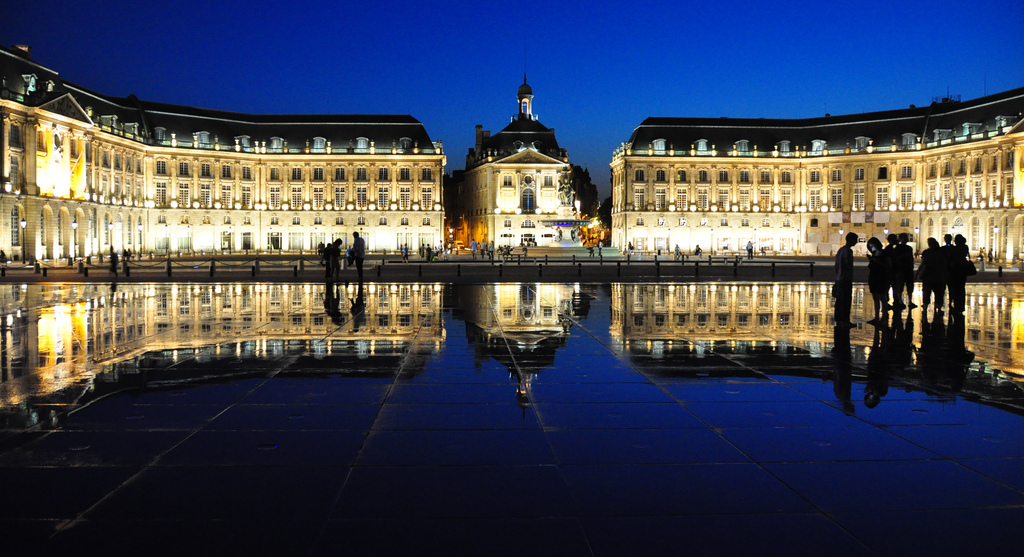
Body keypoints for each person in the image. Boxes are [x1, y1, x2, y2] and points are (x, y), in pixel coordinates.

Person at [915, 237, 947, 315]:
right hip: (938, 275)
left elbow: (922, 264)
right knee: (938, 293)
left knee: (926, 292)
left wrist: (917, 274)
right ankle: (938, 307)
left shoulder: (926, 252)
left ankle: (925, 307)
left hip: (928, 275)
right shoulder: (941, 252)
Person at [834, 232, 858, 327]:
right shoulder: (848, 251)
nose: (856, 242)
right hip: (845, 278)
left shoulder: (840, 250)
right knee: (846, 300)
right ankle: (845, 320)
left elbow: (836, 265)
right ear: (851, 240)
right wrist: (850, 274)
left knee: (839, 300)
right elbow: (848, 264)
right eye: (855, 240)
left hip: (839, 278)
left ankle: (838, 318)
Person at [865, 237, 890, 325]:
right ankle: (876, 317)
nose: (872, 247)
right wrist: (871, 259)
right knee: (875, 297)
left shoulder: (884, 253)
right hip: (874, 277)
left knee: (882, 297)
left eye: (872, 245)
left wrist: (876, 261)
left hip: (882, 277)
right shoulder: (875, 253)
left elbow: (888, 265)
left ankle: (883, 318)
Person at [947, 234, 971, 314]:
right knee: (961, 288)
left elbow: (950, 257)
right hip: (963, 269)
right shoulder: (965, 247)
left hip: (955, 269)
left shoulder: (954, 248)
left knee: (954, 287)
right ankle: (961, 306)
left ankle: (953, 303)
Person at [894, 232, 916, 309]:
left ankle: (908, 301)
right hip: (902, 269)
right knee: (901, 285)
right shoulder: (900, 248)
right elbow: (896, 258)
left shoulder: (906, 248)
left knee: (908, 286)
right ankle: (901, 300)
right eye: (905, 238)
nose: (906, 239)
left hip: (906, 269)